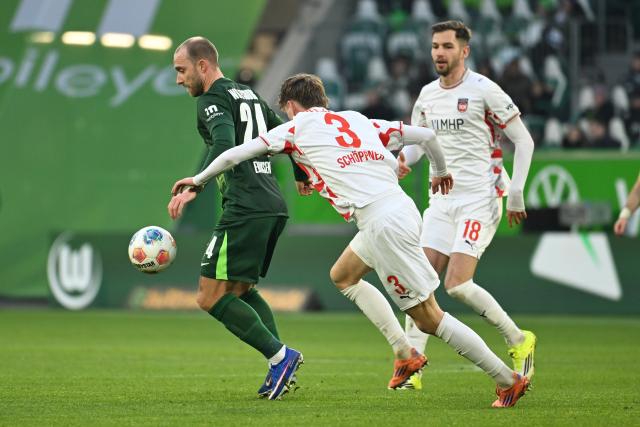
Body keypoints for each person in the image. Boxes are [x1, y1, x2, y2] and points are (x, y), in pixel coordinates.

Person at [170, 73, 531, 408]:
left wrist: (198, 180)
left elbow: (236, 152)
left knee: (428, 318)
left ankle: (506, 379)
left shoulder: (297, 127)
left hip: (382, 222)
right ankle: (405, 354)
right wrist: (439, 171)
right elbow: (427, 137)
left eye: (286, 110)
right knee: (343, 275)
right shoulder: (358, 121)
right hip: (397, 209)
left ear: (292, 106)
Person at [397, 20, 536, 390]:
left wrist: (517, 192)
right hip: (440, 201)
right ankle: (414, 368)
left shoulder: (484, 90)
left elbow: (524, 142)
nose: (438, 53)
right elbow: (417, 145)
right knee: (418, 283)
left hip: (480, 197)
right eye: (434, 47)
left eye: (446, 46)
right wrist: (400, 161)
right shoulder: (426, 95)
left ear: (464, 51)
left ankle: (519, 339)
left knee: (456, 284)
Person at [167, 36, 303, 401]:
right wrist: (304, 175)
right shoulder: (249, 94)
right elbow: (285, 135)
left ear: (202, 65)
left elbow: (225, 145)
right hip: (272, 204)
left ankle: (280, 356)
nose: (179, 80)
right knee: (240, 289)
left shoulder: (213, 100)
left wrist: (197, 183)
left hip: (245, 206)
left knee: (208, 297)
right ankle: (281, 363)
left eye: (181, 70)